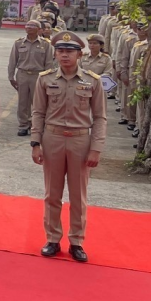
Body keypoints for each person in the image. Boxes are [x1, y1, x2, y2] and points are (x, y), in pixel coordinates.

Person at [32, 31, 106, 263]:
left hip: (80, 141)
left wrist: (96, 148)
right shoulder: (45, 78)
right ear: (55, 53)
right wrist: (35, 143)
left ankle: (76, 241)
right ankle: (52, 238)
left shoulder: (92, 80)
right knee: (52, 194)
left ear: (80, 54)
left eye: (70, 51)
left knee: (78, 195)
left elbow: (100, 117)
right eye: (61, 51)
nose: (65, 55)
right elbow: (38, 112)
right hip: (52, 139)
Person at [8, 20, 55, 137]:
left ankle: (37, 126)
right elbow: (12, 60)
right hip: (22, 74)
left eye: (32, 26)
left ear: (39, 29)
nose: (29, 27)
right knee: (23, 102)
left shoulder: (46, 44)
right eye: (27, 25)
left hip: (38, 75)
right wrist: (11, 76)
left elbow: (49, 63)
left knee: (38, 102)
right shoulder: (19, 43)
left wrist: (48, 78)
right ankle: (23, 125)